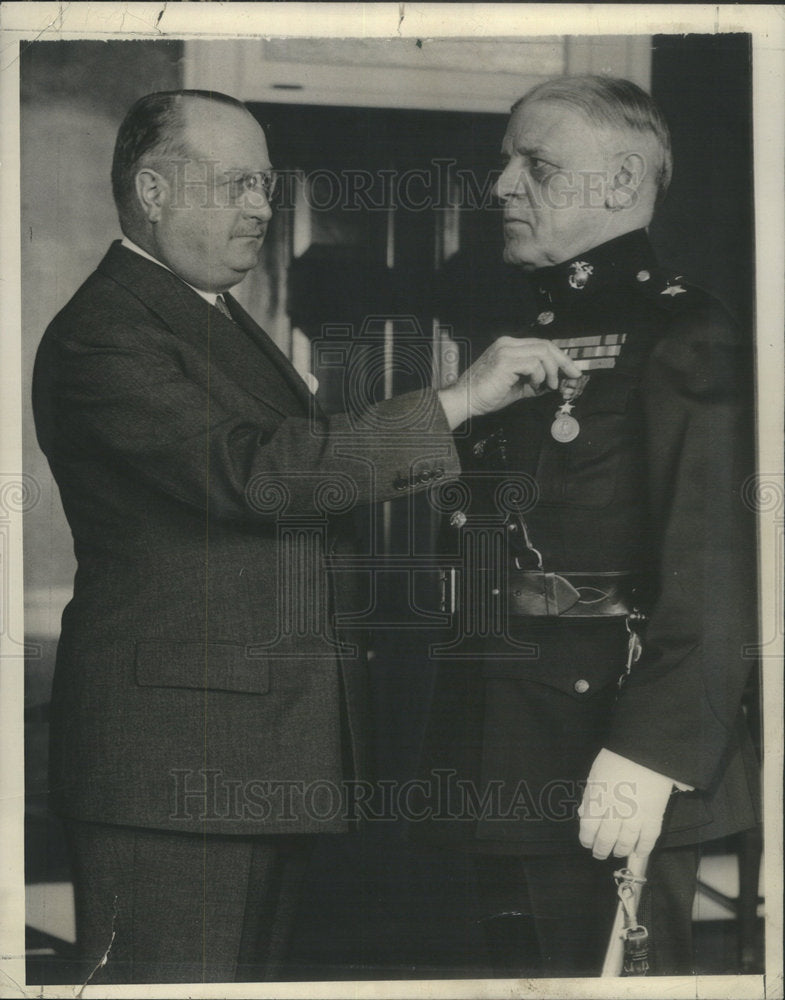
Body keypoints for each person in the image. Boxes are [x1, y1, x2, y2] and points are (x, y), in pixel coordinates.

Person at [31, 89, 580, 984]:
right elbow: (256, 474)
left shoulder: (200, 312)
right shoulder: (106, 333)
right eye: (239, 182)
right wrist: (458, 400)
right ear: (153, 188)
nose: (262, 206)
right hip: (177, 772)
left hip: (250, 760)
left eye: (268, 184)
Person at [414, 76, 760, 977]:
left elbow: (717, 564)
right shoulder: (511, 326)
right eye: (504, 164)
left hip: (605, 748)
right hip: (491, 739)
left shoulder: (685, 333)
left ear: (619, 181)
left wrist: (650, 752)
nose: (501, 187)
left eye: (535, 165)